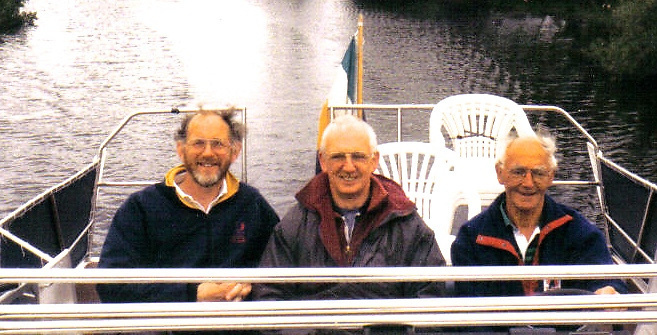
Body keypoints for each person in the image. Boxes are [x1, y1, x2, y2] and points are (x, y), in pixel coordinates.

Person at [253, 114, 445, 309]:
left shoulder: (406, 223)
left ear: (374, 160)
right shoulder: (295, 224)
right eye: (338, 157)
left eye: (358, 156)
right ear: (323, 161)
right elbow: (269, 294)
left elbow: (430, 295)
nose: (349, 166)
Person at [97, 108, 279, 304]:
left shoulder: (253, 205)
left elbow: (281, 270)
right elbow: (111, 286)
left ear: (234, 152)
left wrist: (248, 287)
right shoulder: (141, 208)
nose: (208, 153)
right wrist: (193, 294)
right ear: (181, 150)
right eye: (198, 143)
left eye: (218, 144)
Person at [451, 131, 627, 297]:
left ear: (551, 176)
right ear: (500, 173)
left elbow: (609, 281)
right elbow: (471, 318)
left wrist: (609, 291)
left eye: (538, 173)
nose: (528, 183)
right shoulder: (471, 239)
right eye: (518, 172)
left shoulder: (578, 232)